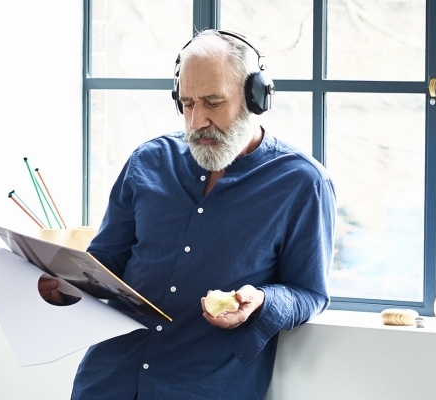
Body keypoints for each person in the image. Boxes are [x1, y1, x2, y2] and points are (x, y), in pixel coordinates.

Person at [71, 30, 336, 399]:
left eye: (213, 102)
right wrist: (62, 281)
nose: (197, 121)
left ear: (254, 97)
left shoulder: (303, 183)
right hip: (107, 380)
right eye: (188, 103)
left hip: (206, 387)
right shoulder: (147, 161)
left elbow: (310, 292)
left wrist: (261, 300)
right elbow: (106, 261)